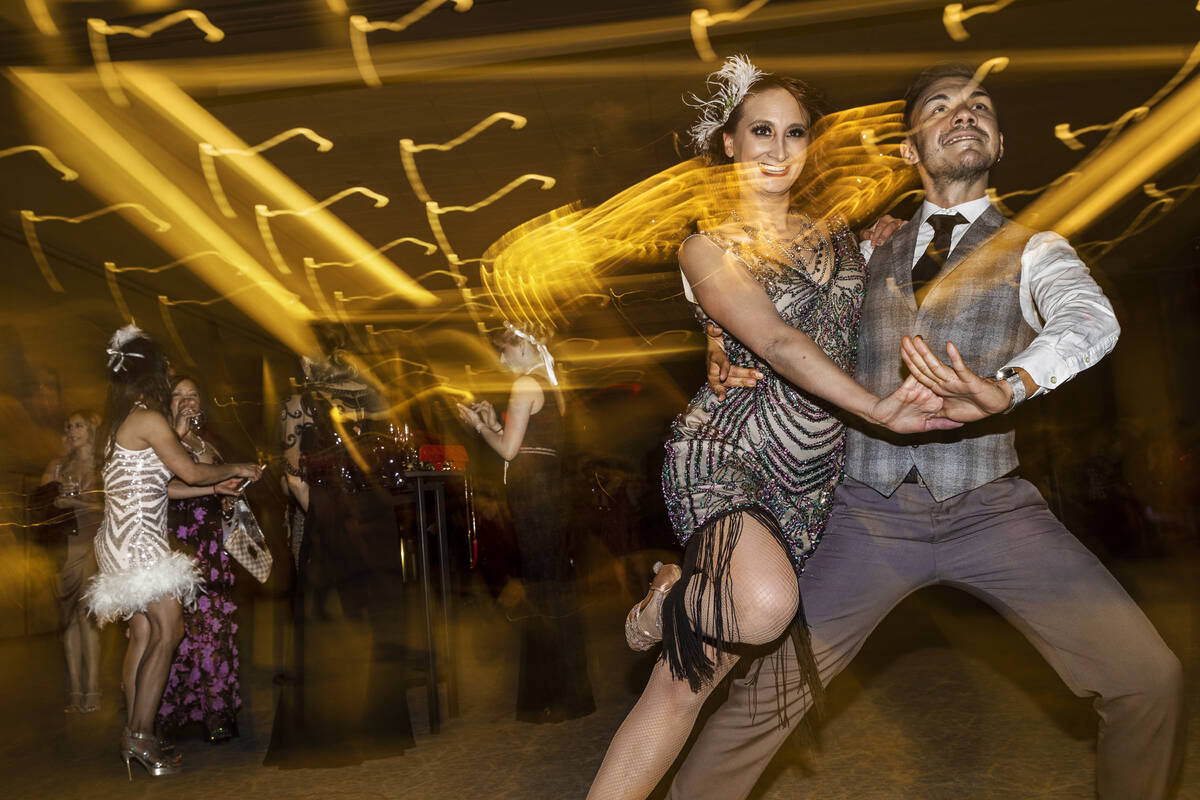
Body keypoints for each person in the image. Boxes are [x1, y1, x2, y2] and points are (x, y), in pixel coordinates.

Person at [666, 63, 1184, 800]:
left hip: (992, 508)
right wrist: (716, 343)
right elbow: (775, 314)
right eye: (941, 106)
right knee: (764, 703)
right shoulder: (863, 250)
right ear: (911, 150)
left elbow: (1088, 320)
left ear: (1000, 141)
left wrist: (1008, 386)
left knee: (1149, 679)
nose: (963, 113)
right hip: (866, 514)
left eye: (981, 107)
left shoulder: (1038, 249)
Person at [585, 56, 957, 800]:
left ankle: (675, 603)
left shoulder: (843, 238)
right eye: (761, 131)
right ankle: (669, 597)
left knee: (684, 683)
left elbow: (878, 308)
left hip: (813, 479)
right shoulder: (705, 244)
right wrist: (875, 409)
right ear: (728, 142)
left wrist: (890, 240)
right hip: (729, 450)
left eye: (794, 133)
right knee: (760, 607)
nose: (779, 150)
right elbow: (781, 342)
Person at [83, 325, 260, 778]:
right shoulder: (149, 418)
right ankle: (140, 736)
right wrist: (236, 466)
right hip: (140, 542)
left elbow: (157, 485)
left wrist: (214, 483)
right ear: (152, 375)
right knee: (170, 630)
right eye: (163, 371)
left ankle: (138, 732)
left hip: (119, 539)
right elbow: (188, 470)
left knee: (144, 636)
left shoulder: (120, 422)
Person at [266, 326, 415, 768]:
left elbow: (293, 474)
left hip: (332, 515)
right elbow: (395, 460)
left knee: (327, 622)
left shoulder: (300, 403)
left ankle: (329, 734)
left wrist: (324, 517)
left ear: (310, 361)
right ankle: (377, 729)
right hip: (376, 517)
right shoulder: (371, 396)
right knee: (375, 619)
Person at [456, 322, 595, 723]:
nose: (500, 359)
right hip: (551, 496)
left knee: (542, 592)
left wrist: (480, 427)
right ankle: (572, 694)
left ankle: (550, 697)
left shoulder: (524, 386)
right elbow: (528, 445)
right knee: (556, 590)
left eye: (503, 350)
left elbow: (509, 451)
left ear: (521, 345)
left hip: (534, 500)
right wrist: (496, 424)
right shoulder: (550, 383)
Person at [156, 375, 243, 744]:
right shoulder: (162, 441)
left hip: (211, 542)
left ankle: (217, 714)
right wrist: (176, 428)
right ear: (167, 401)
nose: (187, 401)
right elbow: (162, 484)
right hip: (176, 541)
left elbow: (219, 482)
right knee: (171, 631)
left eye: (193, 395)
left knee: (213, 627)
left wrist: (231, 495)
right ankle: (170, 714)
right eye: (179, 396)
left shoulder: (208, 442)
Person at [37, 410, 103, 714]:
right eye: (69, 426)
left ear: (90, 429)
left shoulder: (102, 465)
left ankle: (93, 688)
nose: (73, 430)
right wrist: (53, 495)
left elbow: (110, 506)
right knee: (67, 621)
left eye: (79, 425)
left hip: (90, 545)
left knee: (86, 616)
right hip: (63, 548)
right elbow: (40, 505)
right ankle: (75, 690)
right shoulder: (58, 465)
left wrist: (75, 501)